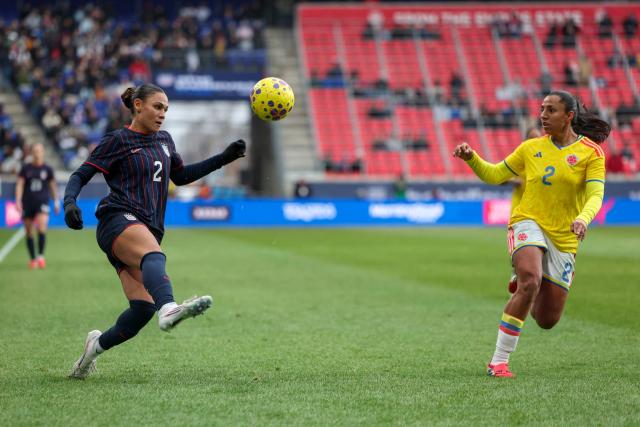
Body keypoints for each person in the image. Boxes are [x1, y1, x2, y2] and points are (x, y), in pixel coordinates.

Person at [63, 83, 246, 379]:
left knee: (140, 310)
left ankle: (91, 351)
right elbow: (81, 174)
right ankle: (170, 308)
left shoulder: (164, 140)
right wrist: (70, 202)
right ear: (138, 105)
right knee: (153, 255)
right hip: (116, 219)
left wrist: (224, 158)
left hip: (147, 227)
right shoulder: (118, 140)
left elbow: (182, 176)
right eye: (157, 107)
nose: (162, 114)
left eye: (166, 109)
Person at [453, 90, 610, 378]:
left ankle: (529, 280)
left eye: (551, 110)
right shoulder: (530, 148)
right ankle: (498, 361)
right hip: (528, 221)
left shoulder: (591, 152)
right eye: (542, 109)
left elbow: (595, 194)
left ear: (569, 117)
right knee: (530, 281)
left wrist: (583, 219)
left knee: (546, 319)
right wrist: (471, 157)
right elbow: (494, 174)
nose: (543, 115)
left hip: (564, 236)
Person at [15, 143, 60, 269]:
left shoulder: (48, 169)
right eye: (35, 151)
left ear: (43, 152)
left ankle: (40, 257)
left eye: (39, 151)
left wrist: (56, 201)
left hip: (42, 202)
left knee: (41, 227)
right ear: (31, 153)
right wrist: (18, 200)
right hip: (28, 203)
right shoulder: (25, 169)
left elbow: (52, 186)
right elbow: (20, 185)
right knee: (29, 231)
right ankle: (33, 259)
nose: (37, 153)